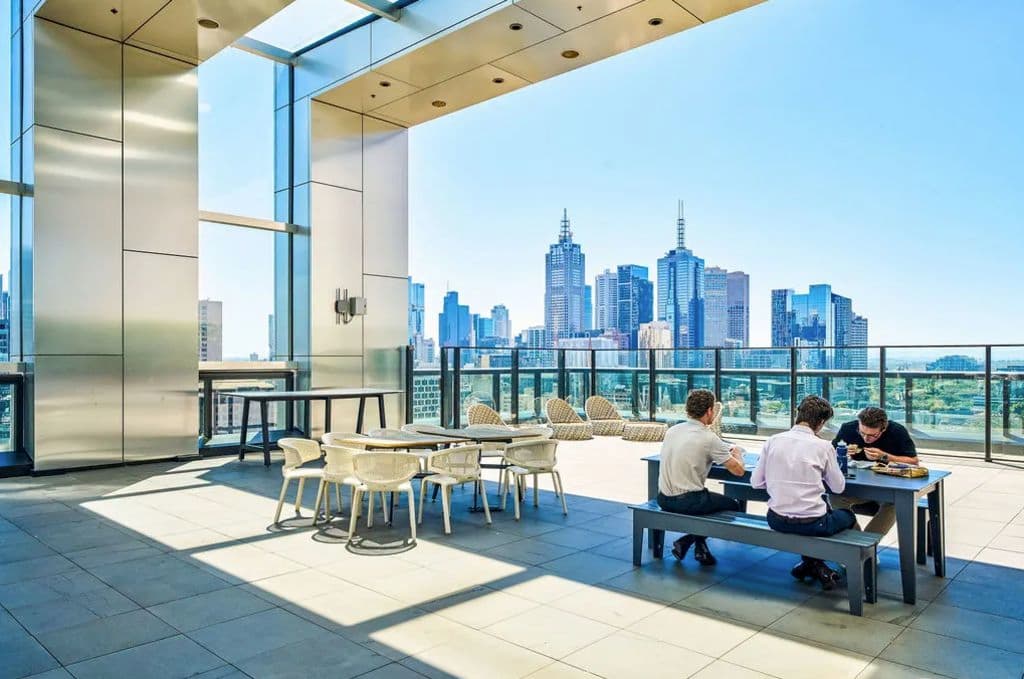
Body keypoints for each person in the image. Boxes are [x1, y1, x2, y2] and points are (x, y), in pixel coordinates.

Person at [751, 395, 856, 590]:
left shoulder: (773, 441)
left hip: (776, 520)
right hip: (813, 523)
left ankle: (812, 564)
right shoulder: (823, 446)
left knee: (818, 515)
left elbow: (756, 483)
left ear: (798, 414)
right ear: (821, 422)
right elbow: (838, 488)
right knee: (847, 515)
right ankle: (837, 562)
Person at [658, 389, 746, 566]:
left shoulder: (673, 431)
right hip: (689, 501)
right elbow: (739, 471)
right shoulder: (708, 438)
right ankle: (687, 541)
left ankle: (700, 548)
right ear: (709, 411)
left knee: (707, 500)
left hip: (663, 499)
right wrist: (737, 453)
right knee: (733, 505)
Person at [830, 406, 917, 535]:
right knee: (834, 496)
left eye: (872, 435)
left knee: (896, 502)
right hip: (857, 486)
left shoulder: (897, 431)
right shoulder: (848, 428)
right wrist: (841, 452)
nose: (866, 439)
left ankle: (867, 542)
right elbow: (830, 454)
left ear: (884, 429)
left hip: (887, 487)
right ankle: (857, 538)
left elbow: (913, 461)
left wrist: (884, 456)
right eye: (862, 433)